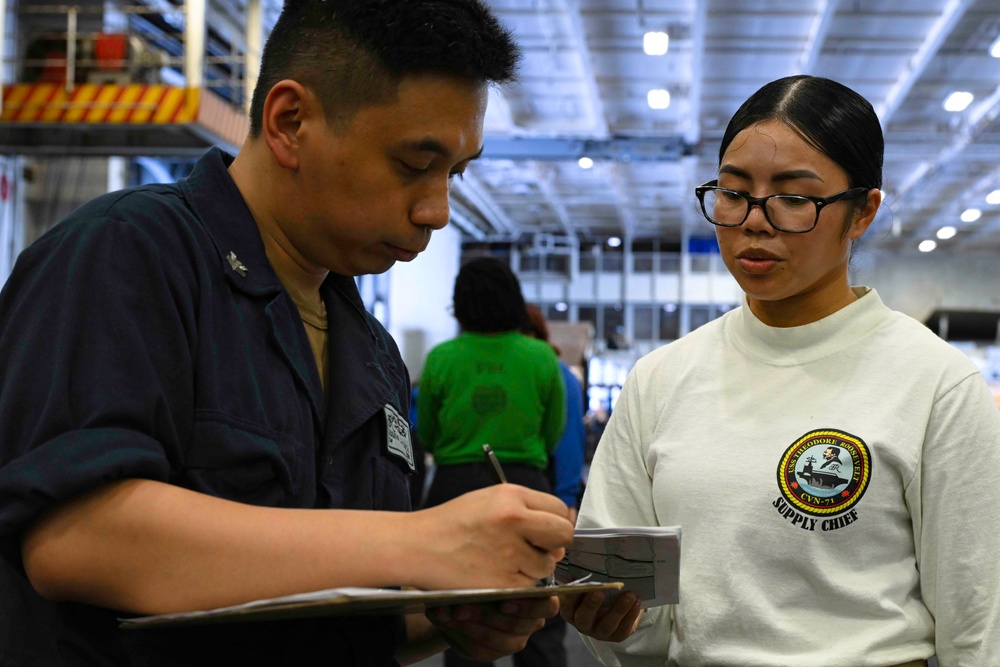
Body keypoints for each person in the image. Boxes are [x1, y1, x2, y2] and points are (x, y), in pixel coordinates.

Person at [0, 1, 576, 665]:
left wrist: (447, 615)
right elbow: (79, 539)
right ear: (290, 122)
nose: (438, 210)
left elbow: (336, 602)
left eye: (456, 173)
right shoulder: (128, 256)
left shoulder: (373, 354)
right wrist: (420, 543)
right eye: (415, 164)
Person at [561, 75, 1000, 666]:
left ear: (863, 212)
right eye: (734, 192)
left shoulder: (935, 384)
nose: (755, 221)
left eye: (795, 198)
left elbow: (978, 623)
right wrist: (612, 620)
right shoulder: (661, 379)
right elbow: (638, 617)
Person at [418, 257, 567, 667]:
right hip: (524, 487)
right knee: (538, 609)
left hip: (453, 488)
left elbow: (425, 432)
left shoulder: (441, 358)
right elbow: (553, 432)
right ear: (513, 300)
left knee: (462, 617)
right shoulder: (541, 358)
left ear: (459, 303)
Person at [524, 304, 587, 522]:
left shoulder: (559, 375)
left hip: (548, 489)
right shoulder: (552, 373)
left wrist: (566, 499)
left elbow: (568, 441)